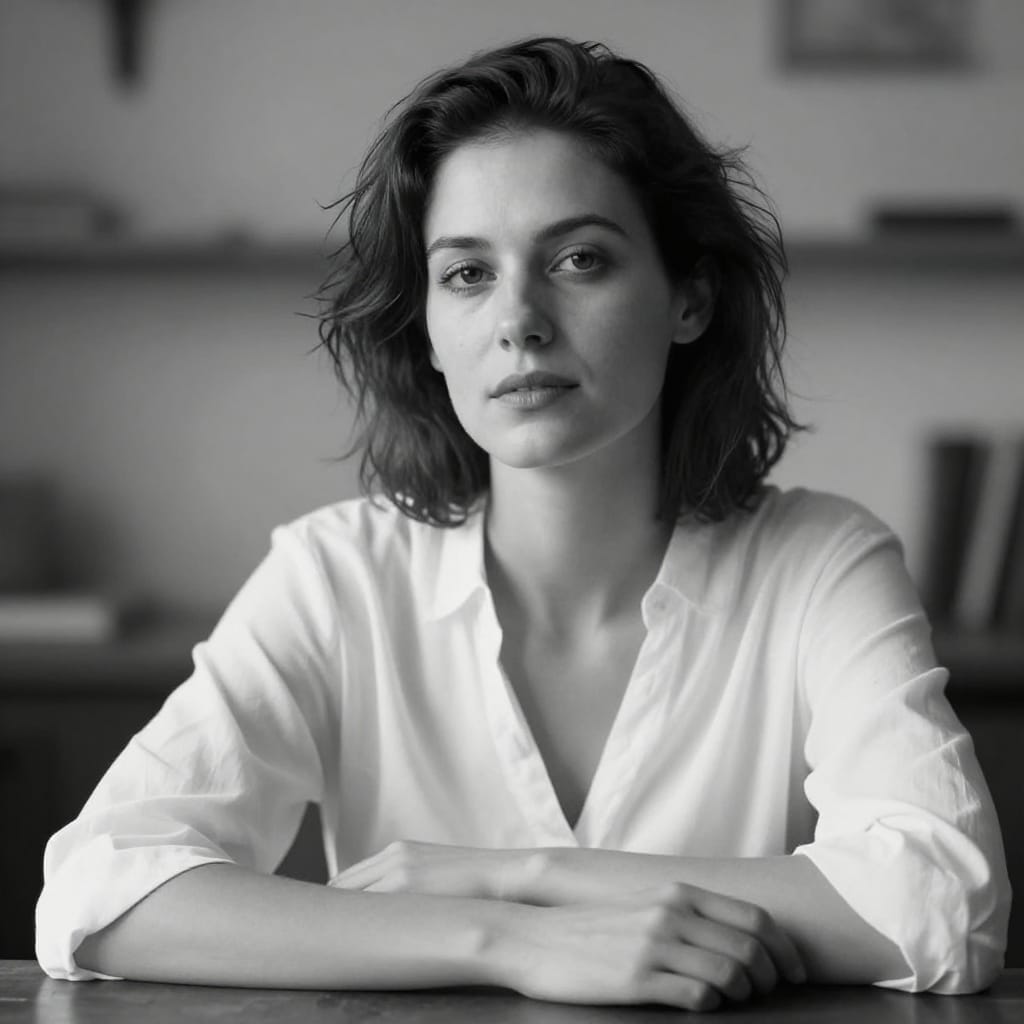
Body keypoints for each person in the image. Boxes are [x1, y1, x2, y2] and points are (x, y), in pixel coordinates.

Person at [36, 36, 1009, 1011]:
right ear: (426, 322)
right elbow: (96, 888)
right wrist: (500, 936)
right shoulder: (336, 575)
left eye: (579, 259)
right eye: (466, 274)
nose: (520, 320)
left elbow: (941, 902)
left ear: (689, 296)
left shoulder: (821, 562)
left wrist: (513, 873)